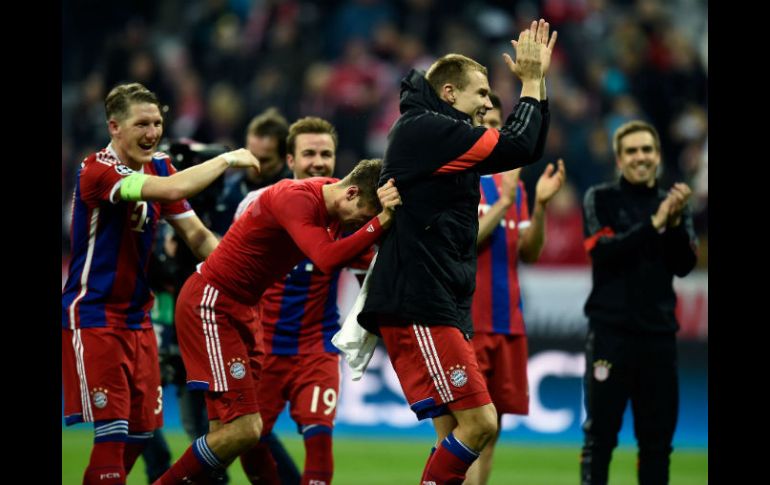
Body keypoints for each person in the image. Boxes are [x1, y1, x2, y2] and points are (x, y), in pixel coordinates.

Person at [357, 19, 557, 484]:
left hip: (440, 299)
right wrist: (530, 82)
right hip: (421, 303)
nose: (488, 103)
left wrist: (539, 83)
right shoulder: (428, 129)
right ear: (449, 93)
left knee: (454, 430)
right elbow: (518, 144)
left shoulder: (438, 133)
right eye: (481, 93)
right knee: (481, 423)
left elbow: (527, 147)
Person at [153, 159, 401, 485]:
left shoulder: (335, 197)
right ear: (351, 193)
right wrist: (380, 222)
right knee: (245, 429)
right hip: (213, 303)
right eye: (364, 215)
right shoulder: (296, 198)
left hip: (244, 310)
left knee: (229, 434)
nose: (361, 224)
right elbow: (326, 258)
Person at [61, 82, 260, 485]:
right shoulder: (98, 171)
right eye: (141, 124)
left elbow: (198, 236)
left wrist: (243, 278)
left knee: (139, 435)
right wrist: (226, 158)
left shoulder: (159, 166)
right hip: (95, 317)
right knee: (112, 437)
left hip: (138, 320)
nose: (152, 132)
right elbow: (172, 189)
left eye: (157, 123)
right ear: (114, 127)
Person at [233, 116, 366, 485]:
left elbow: (370, 272)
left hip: (316, 349)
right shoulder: (257, 204)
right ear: (290, 159)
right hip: (262, 350)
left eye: (326, 154)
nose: (318, 162)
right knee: (249, 443)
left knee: (319, 441)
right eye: (309, 154)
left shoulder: (349, 210)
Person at [579, 120, 698, 485]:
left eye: (647, 150)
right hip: (610, 337)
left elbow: (684, 265)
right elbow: (603, 251)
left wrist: (672, 224)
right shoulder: (600, 198)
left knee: (657, 445)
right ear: (619, 159)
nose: (640, 157)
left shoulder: (672, 205)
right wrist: (655, 224)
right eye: (631, 151)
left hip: (658, 339)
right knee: (599, 440)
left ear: (658, 156)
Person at [463, 93, 565, 485]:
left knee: (491, 433)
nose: (491, 132)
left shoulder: (514, 187)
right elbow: (466, 244)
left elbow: (530, 253)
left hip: (508, 325)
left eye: (496, 125)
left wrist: (539, 207)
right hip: (468, 324)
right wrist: (504, 203)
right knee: (467, 430)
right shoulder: (460, 181)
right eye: (483, 123)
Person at [211, 108, 292, 236]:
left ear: (284, 158)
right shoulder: (227, 190)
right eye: (251, 155)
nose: (254, 164)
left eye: (264, 160)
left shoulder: (292, 194)